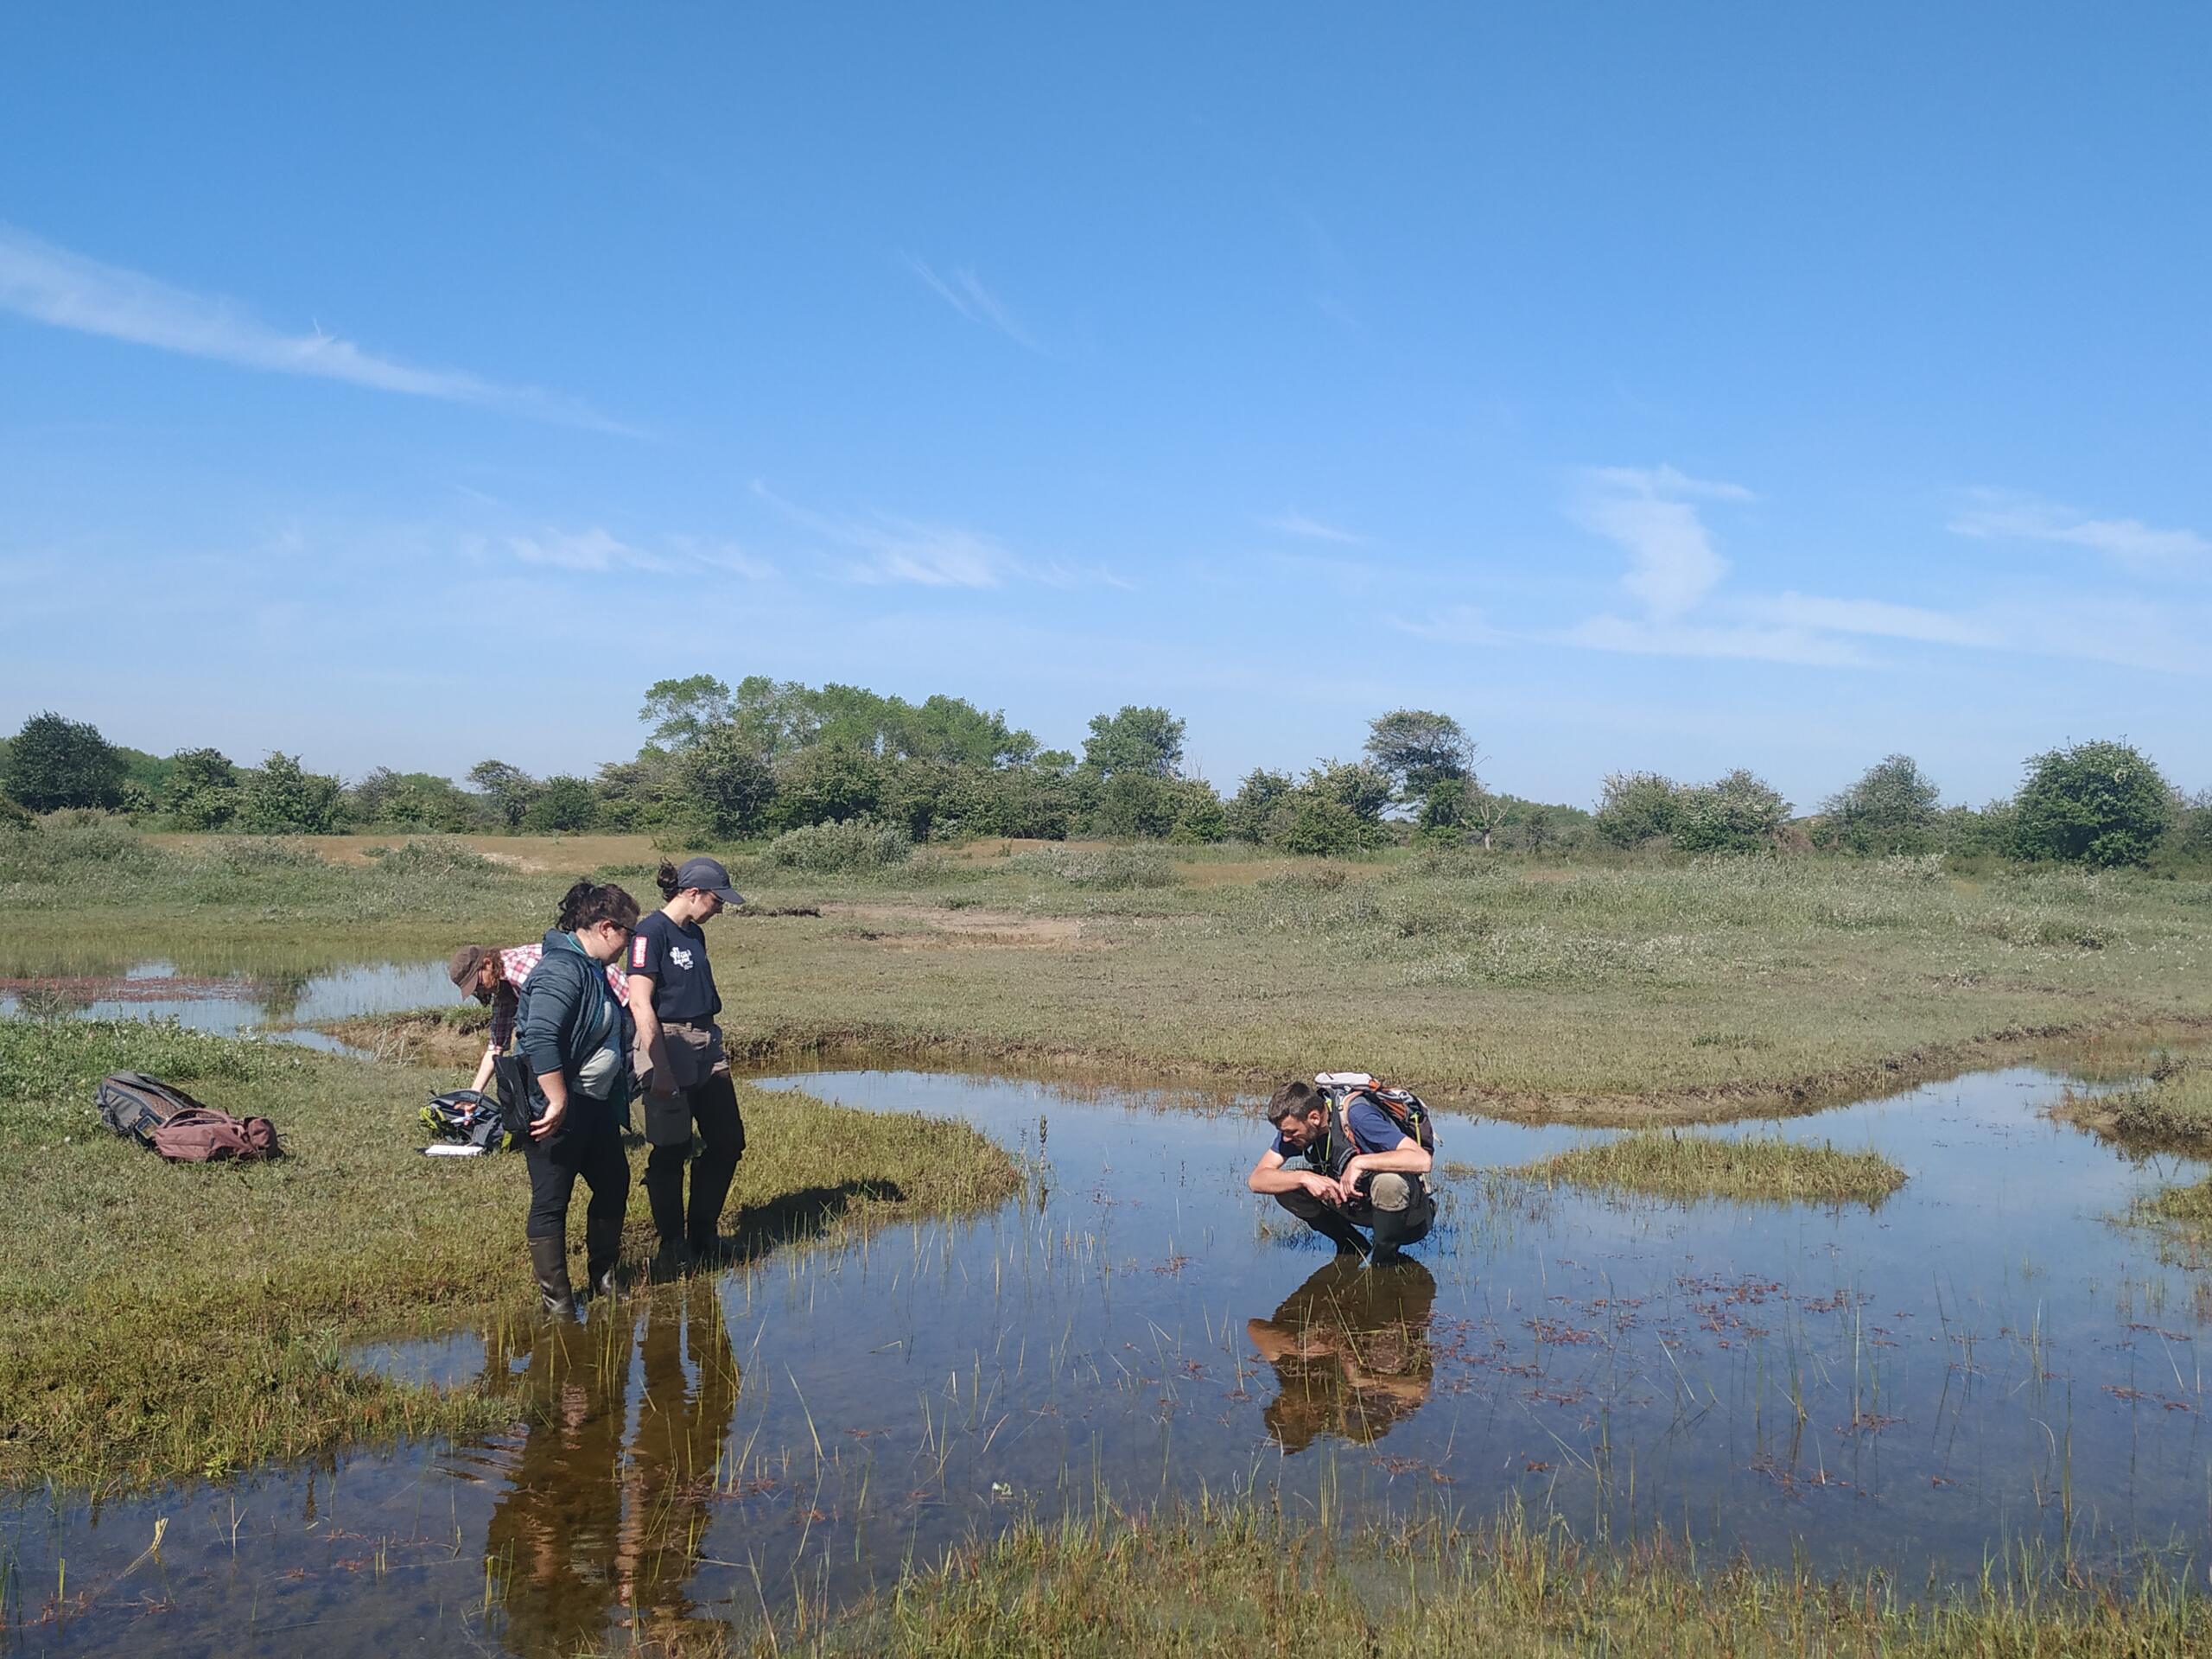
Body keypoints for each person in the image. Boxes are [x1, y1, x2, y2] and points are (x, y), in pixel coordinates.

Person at [515, 879, 641, 1317]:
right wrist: (556, 1100)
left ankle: (603, 1277)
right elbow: (540, 1036)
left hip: (593, 1103)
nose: (629, 944)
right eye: (628, 933)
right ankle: (559, 1305)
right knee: (552, 1201)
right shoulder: (561, 971)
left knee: (613, 1183)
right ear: (607, 928)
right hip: (556, 1110)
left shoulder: (590, 968)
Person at [627, 855, 747, 1278]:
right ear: (692, 892)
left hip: (706, 1041)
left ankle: (704, 1235)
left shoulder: (694, 933)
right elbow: (640, 1001)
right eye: (717, 900)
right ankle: (672, 1245)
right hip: (668, 1042)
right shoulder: (649, 932)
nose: (721, 909)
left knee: (728, 1140)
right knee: (671, 1149)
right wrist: (659, 1068)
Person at [1246, 1255, 1438, 1452]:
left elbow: (1254, 1329)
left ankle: (1354, 1254)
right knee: (1384, 1358)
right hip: (1400, 1298)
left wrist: (1300, 1346)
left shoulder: (1289, 1372)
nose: (1311, 1409)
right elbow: (1420, 1390)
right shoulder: (1350, 1412)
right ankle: (1386, 1263)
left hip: (1344, 1291)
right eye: (1309, 1417)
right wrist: (1362, 1379)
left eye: (1282, 1404)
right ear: (1317, 1422)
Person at [1248, 1079, 1435, 1259]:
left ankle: (1383, 1260)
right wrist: (1303, 1177)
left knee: (1389, 1182)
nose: (1286, 1139)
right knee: (1286, 1186)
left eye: (1291, 1132)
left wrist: (1359, 1163)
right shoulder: (1296, 1128)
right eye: (1283, 1133)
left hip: (1409, 1219)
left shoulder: (1358, 1116)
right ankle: (1352, 1245)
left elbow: (1421, 1159)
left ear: (1314, 1117)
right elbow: (1257, 1180)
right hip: (1358, 1205)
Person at [448, 941, 628, 1099]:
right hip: (587, 1008)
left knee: (623, 1072)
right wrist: (474, 1093)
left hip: (613, 994)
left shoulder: (520, 972)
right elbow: (496, 1047)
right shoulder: (503, 986)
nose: (480, 992)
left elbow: (550, 1023)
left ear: (487, 964)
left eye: (478, 984)